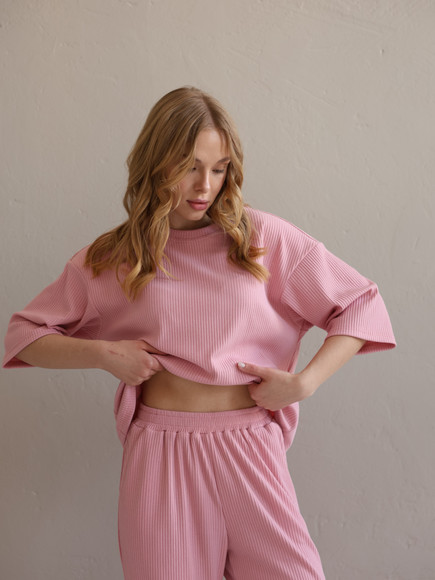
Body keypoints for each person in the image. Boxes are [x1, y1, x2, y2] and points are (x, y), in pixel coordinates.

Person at [3, 86, 396, 580]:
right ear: (155, 163)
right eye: (189, 166)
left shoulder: (261, 239)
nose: (204, 185)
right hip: (161, 453)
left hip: (250, 448)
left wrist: (304, 383)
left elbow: (360, 302)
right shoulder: (115, 257)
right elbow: (24, 335)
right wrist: (104, 354)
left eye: (219, 168)